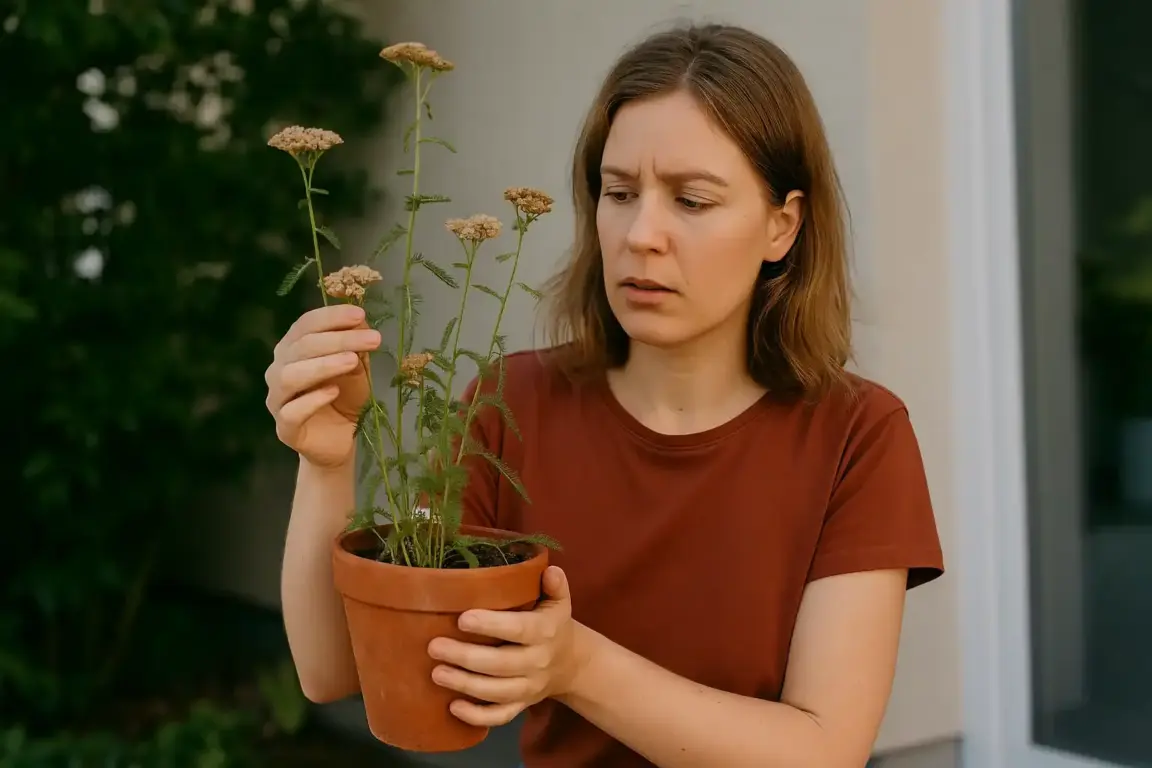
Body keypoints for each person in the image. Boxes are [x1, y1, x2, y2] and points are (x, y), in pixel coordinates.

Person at [265, 22, 944, 768]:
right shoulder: (513, 402)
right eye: (619, 192)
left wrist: (578, 666)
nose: (641, 233)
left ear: (782, 224)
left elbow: (823, 750)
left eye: (692, 201)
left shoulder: (857, 433)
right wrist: (327, 462)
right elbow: (340, 671)